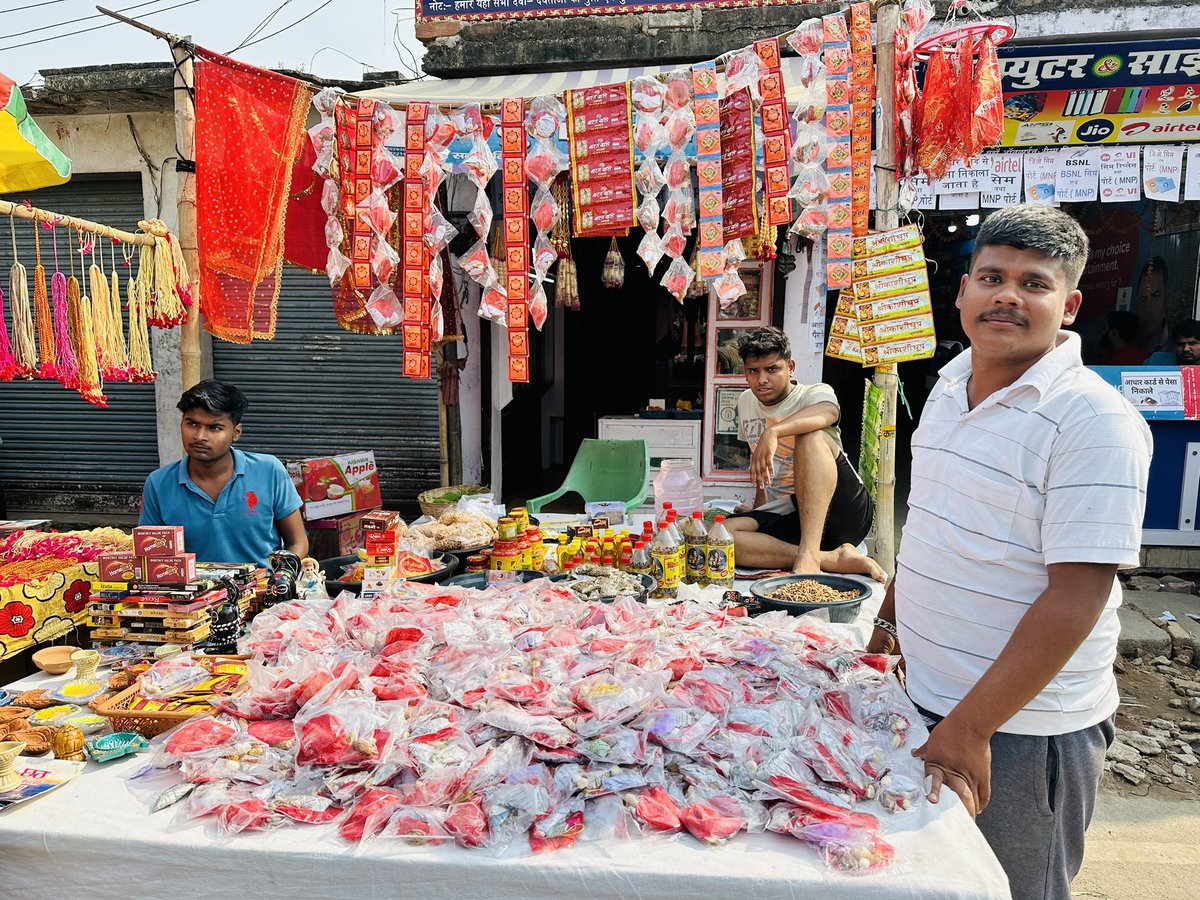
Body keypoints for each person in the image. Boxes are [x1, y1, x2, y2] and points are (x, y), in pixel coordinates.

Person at [868, 205, 1152, 900]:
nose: (1007, 296)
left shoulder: (1094, 420)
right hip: (928, 698)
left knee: (1011, 889)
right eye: (991, 277)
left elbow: (1076, 596)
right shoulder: (945, 389)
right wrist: (886, 628)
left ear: (1069, 303)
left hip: (1020, 729)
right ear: (962, 291)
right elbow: (930, 527)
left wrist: (970, 729)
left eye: (1034, 283)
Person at [724, 326, 884, 582]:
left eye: (772, 369)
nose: (762, 379)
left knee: (811, 433)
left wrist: (772, 432)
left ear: (791, 367)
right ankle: (830, 558)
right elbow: (764, 468)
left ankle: (810, 555)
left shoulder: (814, 393)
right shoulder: (746, 401)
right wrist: (759, 513)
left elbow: (828, 413)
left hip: (842, 511)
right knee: (720, 536)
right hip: (792, 514)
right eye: (754, 371)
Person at [140, 380, 308, 567]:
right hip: (192, 595)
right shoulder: (159, 484)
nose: (199, 436)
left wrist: (281, 578)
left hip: (262, 591)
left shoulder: (269, 471)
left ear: (236, 432)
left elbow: (298, 542)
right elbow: (150, 554)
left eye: (215, 428)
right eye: (192, 424)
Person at [1134, 256, 1168, 358]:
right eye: (1143, 300)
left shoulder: (1176, 346)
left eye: (1155, 297)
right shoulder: (1131, 343)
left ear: (1166, 298)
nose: (1148, 309)